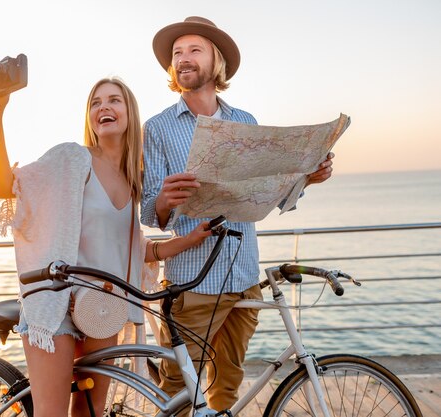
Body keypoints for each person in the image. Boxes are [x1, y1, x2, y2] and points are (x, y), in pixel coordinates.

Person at [0, 75, 212, 417]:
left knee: (89, 412)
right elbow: (4, 185)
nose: (104, 106)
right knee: (53, 414)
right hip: (57, 302)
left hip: (101, 308)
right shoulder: (72, 160)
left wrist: (189, 240)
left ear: (129, 113)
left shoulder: (134, 179)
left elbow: (135, 253)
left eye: (114, 100)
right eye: (95, 102)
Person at [141, 16, 335, 414]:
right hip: (192, 282)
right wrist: (163, 201)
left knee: (227, 385)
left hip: (245, 276)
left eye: (194, 50)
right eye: (177, 53)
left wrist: (307, 180)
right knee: (178, 390)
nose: (183, 59)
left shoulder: (245, 121)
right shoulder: (157, 128)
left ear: (217, 62)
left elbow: (267, 194)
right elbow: (149, 210)